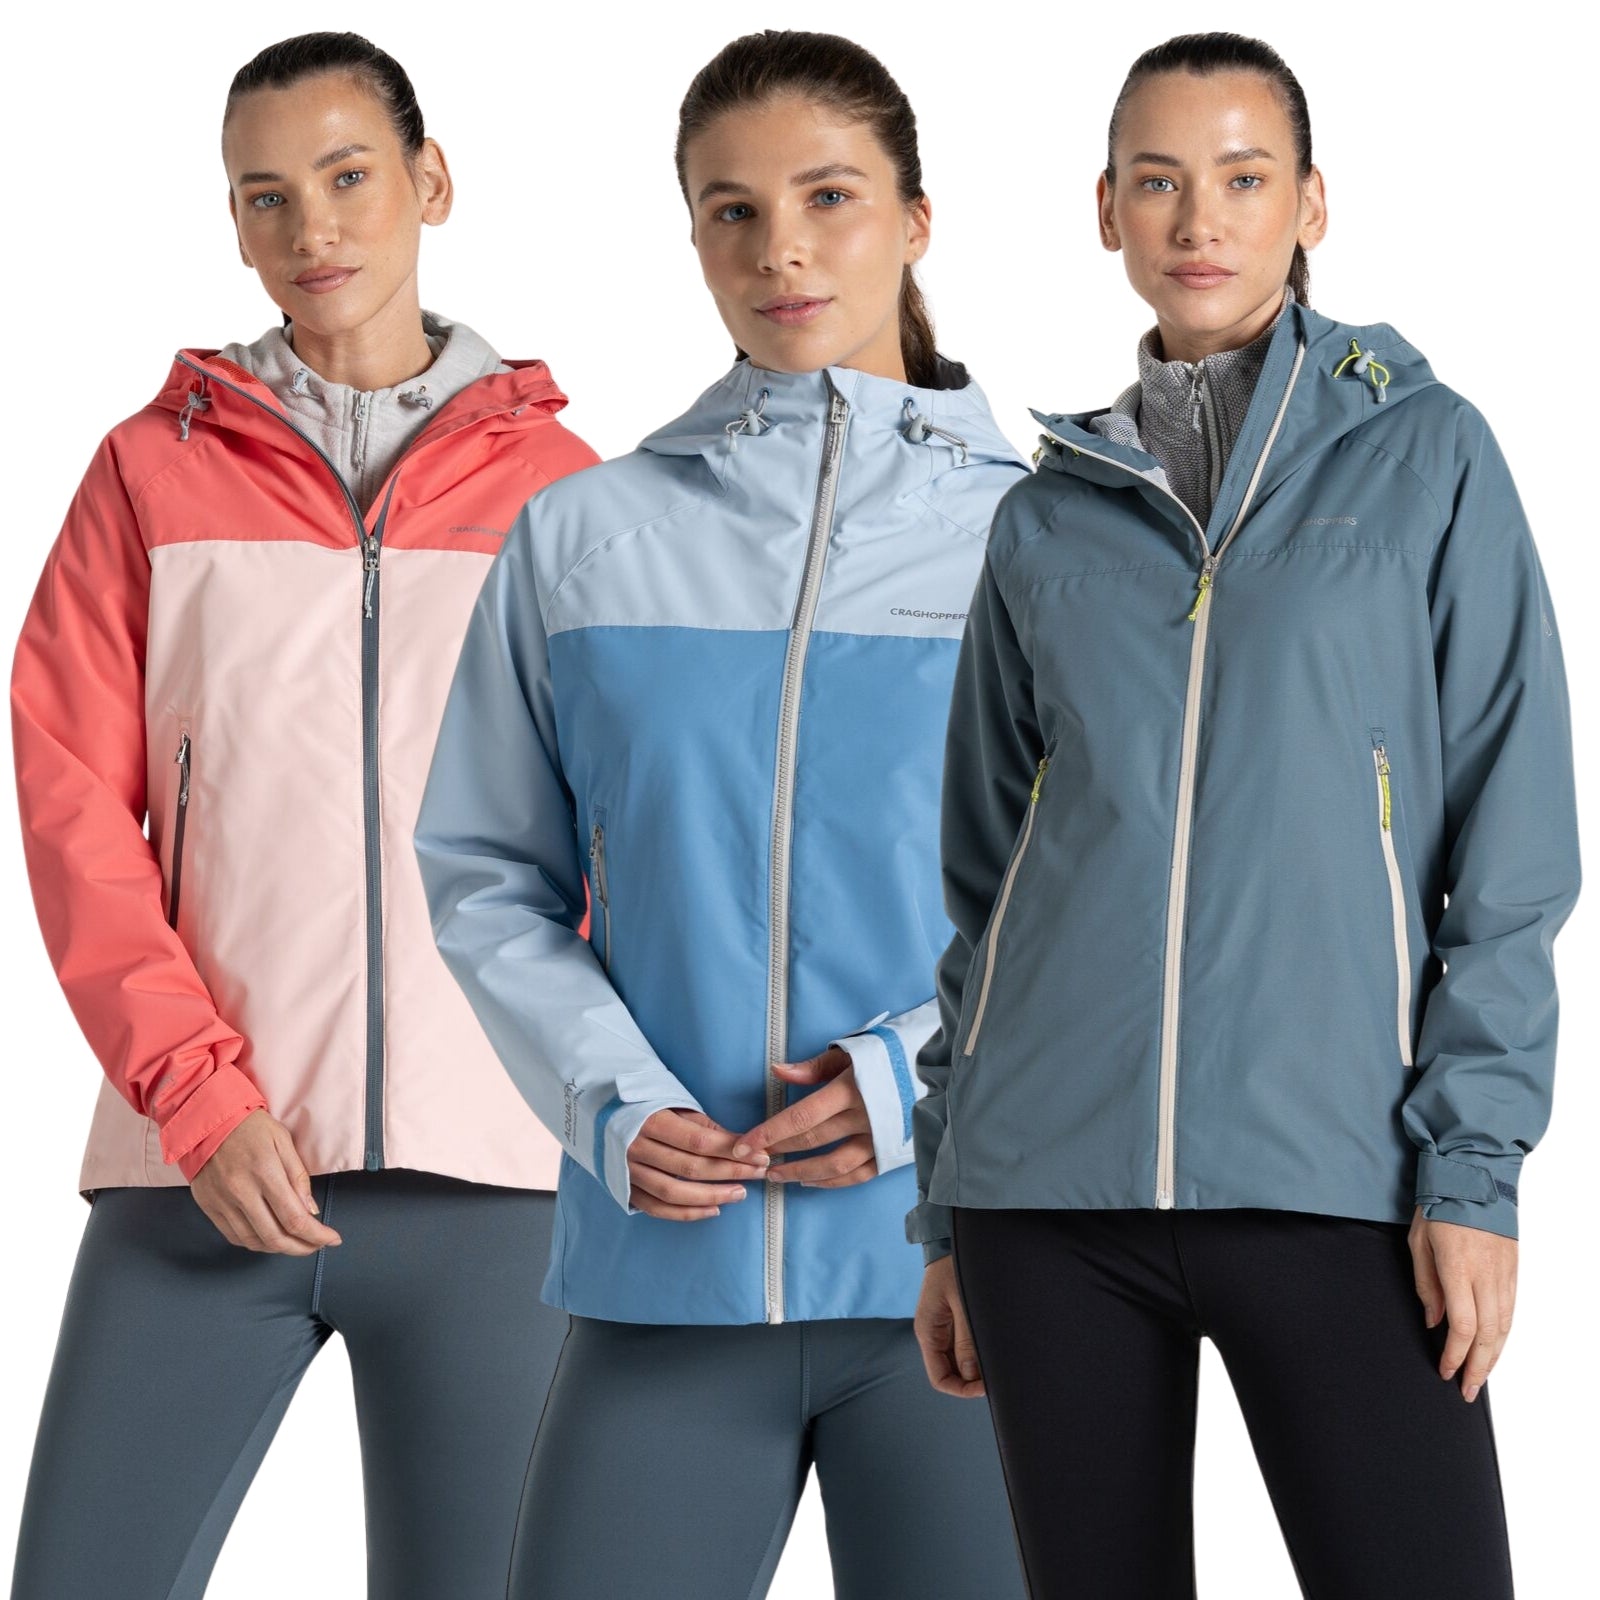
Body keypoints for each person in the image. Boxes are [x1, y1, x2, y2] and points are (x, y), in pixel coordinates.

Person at [909, 30, 1581, 1600]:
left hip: (1339, 1178)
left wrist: (1473, 1172)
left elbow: (1513, 850)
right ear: (1106, 211)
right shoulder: (1046, 515)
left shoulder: (1427, 456)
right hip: (1044, 1198)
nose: (1198, 219)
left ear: (1310, 205)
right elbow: (985, 886)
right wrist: (946, 1206)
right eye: (1158, 181)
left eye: (1241, 177)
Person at [415, 29, 1028, 1600]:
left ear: (916, 218)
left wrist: (915, 1082)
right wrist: (609, 1102)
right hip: (662, 1276)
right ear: (691, 236)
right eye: (731, 211)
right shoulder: (583, 538)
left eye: (829, 197)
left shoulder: (1043, 543)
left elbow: (1119, 895)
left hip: (972, 1272)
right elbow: (485, 869)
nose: (781, 251)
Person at [8, 32, 597, 1599]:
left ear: (430, 182)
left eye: (347, 177)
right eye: (266, 196)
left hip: (497, 1189)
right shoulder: (146, 476)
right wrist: (200, 1100)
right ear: (235, 223)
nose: (312, 227)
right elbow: (74, 809)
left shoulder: (568, 497)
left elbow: (622, 846)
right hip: (205, 1173)